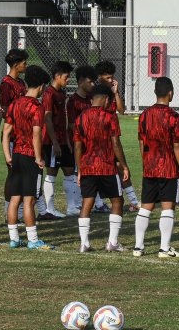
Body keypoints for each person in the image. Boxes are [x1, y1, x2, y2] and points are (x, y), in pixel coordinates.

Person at [134, 76, 179, 258]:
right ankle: (164, 248)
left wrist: (146, 160)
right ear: (170, 93)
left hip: (150, 167)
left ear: (156, 92)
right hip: (168, 168)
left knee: (145, 207)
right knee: (168, 207)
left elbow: (141, 141)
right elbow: (177, 145)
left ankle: (138, 247)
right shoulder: (174, 117)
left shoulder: (144, 115)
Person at [74, 83, 130, 252]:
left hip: (88, 166)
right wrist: (124, 166)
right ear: (106, 99)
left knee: (87, 203)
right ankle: (112, 242)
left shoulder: (80, 118)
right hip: (107, 167)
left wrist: (80, 169)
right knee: (117, 201)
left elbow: (77, 147)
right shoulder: (110, 117)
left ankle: (84, 243)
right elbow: (115, 143)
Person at [2, 64, 52, 250]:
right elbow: (36, 134)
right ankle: (32, 240)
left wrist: (8, 155)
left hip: (16, 155)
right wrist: (39, 157)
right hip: (30, 156)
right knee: (29, 199)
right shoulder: (37, 107)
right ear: (40, 87)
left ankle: (14, 238)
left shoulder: (15, 104)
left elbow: (6, 133)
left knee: (15, 198)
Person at [97, 61, 140, 211]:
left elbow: (121, 111)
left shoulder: (112, 91)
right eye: (107, 78)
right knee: (99, 171)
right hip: (100, 137)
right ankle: (98, 203)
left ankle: (134, 201)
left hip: (113, 135)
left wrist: (115, 93)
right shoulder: (96, 93)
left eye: (112, 77)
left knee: (121, 167)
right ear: (100, 77)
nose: (110, 80)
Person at [39, 61, 75, 220]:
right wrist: (54, 142)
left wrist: (66, 140)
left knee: (69, 170)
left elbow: (63, 118)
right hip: (51, 141)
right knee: (51, 172)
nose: (68, 80)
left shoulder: (62, 93)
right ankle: (50, 208)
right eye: (66, 77)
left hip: (62, 139)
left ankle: (72, 206)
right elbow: (47, 119)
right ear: (58, 76)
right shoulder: (49, 94)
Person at [0, 49, 29, 210]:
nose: (26, 65)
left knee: (24, 174)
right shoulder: (6, 83)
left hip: (24, 135)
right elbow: (5, 110)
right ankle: (8, 209)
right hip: (12, 135)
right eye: (24, 63)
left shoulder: (21, 83)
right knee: (13, 173)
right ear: (16, 65)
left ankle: (21, 211)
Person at [67, 65, 98, 216]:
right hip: (79, 143)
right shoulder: (73, 101)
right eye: (90, 81)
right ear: (80, 81)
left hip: (91, 144)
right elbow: (72, 124)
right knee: (77, 172)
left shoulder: (90, 100)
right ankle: (73, 205)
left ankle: (90, 202)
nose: (93, 85)